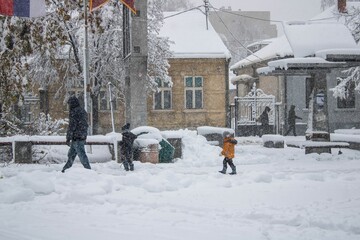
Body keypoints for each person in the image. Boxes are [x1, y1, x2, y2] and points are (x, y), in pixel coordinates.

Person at [62, 96, 91, 173]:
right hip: (81, 136)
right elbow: (85, 124)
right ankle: (65, 170)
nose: (69, 106)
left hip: (77, 137)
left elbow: (72, 126)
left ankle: (89, 171)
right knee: (71, 155)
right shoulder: (82, 111)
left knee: (81, 155)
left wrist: (68, 138)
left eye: (69, 104)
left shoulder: (74, 112)